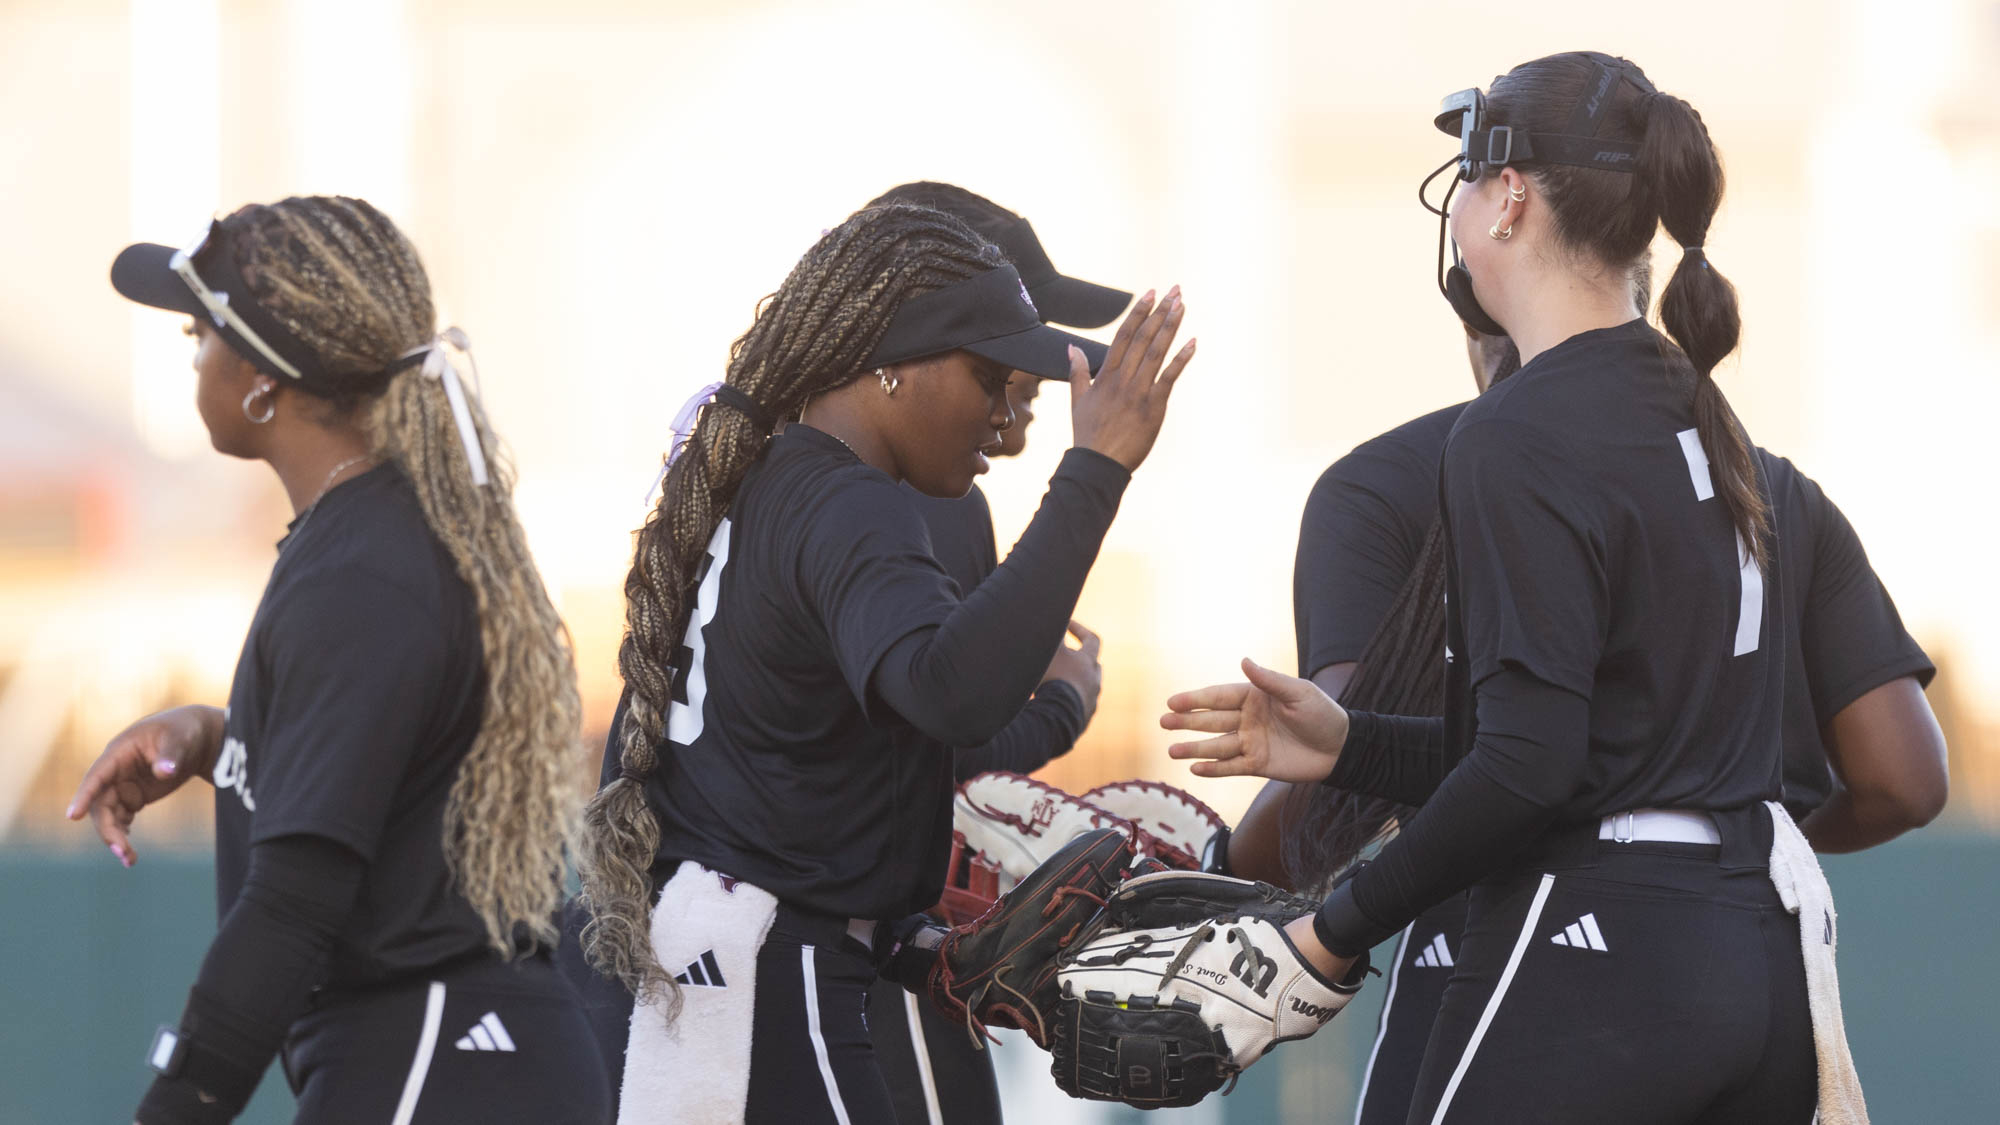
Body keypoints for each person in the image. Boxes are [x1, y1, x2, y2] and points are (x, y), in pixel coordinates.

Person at [1168, 52, 1870, 1122]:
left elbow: (1531, 770)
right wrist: (1352, 744)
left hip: (1594, 951)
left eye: (1465, 180)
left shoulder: (1517, 428)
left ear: (1509, 199)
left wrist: (1323, 931)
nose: (1453, 210)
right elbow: (1597, 744)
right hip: (1756, 945)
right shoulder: (1706, 414)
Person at [571, 202, 1193, 1123]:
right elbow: (953, 693)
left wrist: (913, 942)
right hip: (762, 974)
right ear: (888, 365)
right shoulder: (845, 500)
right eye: (988, 376)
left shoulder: (773, 475)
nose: (1003, 411)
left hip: (727, 960)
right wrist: (1096, 469)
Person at [1233, 318, 1943, 1123]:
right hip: (1761, 943)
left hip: (1531, 933)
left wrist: (1239, 877)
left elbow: (1419, 774)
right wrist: (1729, 849)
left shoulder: (1425, 468)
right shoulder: (1768, 478)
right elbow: (1907, 780)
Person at [69, 196, 608, 1124]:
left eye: (200, 332)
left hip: (436, 1055)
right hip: (456, 1050)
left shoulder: (362, 572)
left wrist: (182, 1100)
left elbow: (292, 908)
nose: (190, 354)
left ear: (262, 384)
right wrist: (214, 738)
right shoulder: (370, 536)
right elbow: (389, 762)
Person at [858, 182, 1134, 1125]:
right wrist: (1060, 705)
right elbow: (925, 752)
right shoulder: (908, 494)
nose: (1023, 394)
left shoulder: (785, 461)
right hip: (834, 962)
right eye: (1002, 363)